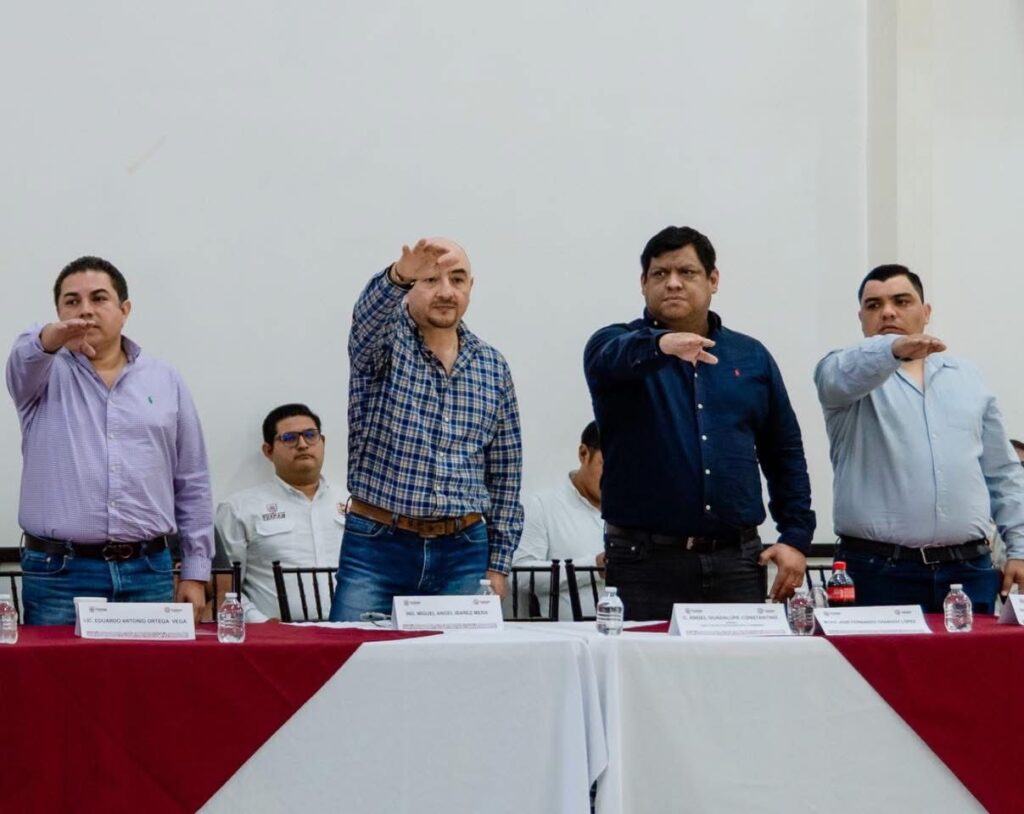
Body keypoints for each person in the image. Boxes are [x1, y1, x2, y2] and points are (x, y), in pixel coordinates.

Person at [584, 226, 814, 621]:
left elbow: (783, 452)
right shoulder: (615, 346)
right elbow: (609, 358)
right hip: (645, 563)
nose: (673, 283)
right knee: (644, 663)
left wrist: (795, 537)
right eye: (660, 273)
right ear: (643, 283)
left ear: (713, 280)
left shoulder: (750, 356)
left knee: (740, 663)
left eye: (687, 272)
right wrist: (661, 345)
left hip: (737, 560)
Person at [6, 256, 213, 623]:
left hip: (149, 570)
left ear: (124, 310)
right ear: (58, 313)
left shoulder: (165, 379)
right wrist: (49, 337)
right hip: (59, 574)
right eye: (72, 301)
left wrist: (195, 571)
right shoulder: (39, 375)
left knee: (151, 665)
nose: (85, 310)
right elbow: (24, 355)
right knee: (56, 665)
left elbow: (192, 480)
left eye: (99, 298)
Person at [330, 237, 523, 621]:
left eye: (458, 279)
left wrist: (499, 563)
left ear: (471, 287)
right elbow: (367, 317)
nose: (446, 291)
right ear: (410, 286)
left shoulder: (492, 365)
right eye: (431, 280)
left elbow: (505, 473)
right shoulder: (384, 343)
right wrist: (397, 275)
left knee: (459, 660)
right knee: (354, 654)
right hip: (378, 544)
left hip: (464, 550)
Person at [814, 264, 1024, 613]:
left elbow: (1002, 472)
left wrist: (1020, 548)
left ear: (926, 312)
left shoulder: (967, 377)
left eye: (901, 301)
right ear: (861, 318)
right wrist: (895, 348)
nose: (888, 312)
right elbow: (840, 375)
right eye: (874, 305)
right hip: (877, 572)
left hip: (968, 571)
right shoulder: (840, 372)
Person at [216, 403, 345, 621]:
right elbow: (226, 589)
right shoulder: (239, 509)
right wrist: (261, 623)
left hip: (350, 631)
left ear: (322, 442)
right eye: (289, 438)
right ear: (268, 451)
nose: (302, 444)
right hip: (275, 635)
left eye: (310, 435)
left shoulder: (354, 504)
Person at [512, 421, 604, 620]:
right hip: (566, 636)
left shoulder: (637, 511)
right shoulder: (542, 505)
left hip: (634, 633)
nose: (615, 477)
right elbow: (521, 576)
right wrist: (594, 566)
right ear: (583, 454)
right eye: (606, 465)